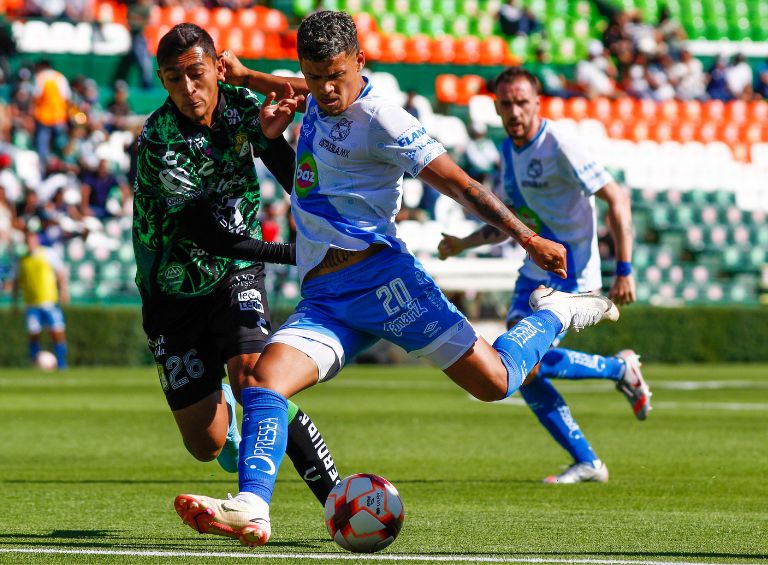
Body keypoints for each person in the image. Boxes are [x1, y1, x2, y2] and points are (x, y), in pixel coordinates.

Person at [174, 11, 620, 548]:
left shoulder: (386, 120)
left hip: (388, 283)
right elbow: (292, 87)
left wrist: (527, 238)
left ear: (360, 61)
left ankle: (560, 310)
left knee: (496, 383)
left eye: (335, 76)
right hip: (326, 298)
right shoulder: (315, 94)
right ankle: (252, 506)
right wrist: (247, 78)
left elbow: (461, 185)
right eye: (314, 77)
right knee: (265, 381)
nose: (324, 90)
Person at [132, 23, 342, 511]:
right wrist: (297, 253)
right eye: (173, 79)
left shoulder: (240, 105)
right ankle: (223, 412)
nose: (188, 89)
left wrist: (273, 143)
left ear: (215, 68)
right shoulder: (160, 140)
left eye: (196, 74)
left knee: (259, 382)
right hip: (172, 290)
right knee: (204, 444)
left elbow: (288, 171)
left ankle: (336, 501)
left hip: (235, 275)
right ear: (163, 81)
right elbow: (208, 235)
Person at [437, 67, 652, 484]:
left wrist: (624, 268)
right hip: (534, 270)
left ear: (537, 103)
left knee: (520, 362)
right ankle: (591, 451)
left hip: (571, 276)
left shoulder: (561, 143)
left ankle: (616, 378)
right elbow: (513, 218)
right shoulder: (508, 150)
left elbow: (616, 197)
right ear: (497, 108)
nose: (515, 111)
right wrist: (462, 243)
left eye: (522, 102)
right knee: (520, 366)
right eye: (507, 104)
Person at [11, 230, 69, 369]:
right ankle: (34, 362)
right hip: (31, 304)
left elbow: (60, 272)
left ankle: (62, 364)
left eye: (32, 240)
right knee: (33, 333)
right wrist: (14, 303)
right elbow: (16, 282)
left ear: (36, 241)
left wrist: (63, 291)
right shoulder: (22, 260)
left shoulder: (48, 254)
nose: (30, 243)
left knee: (57, 332)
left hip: (49, 301)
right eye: (27, 241)